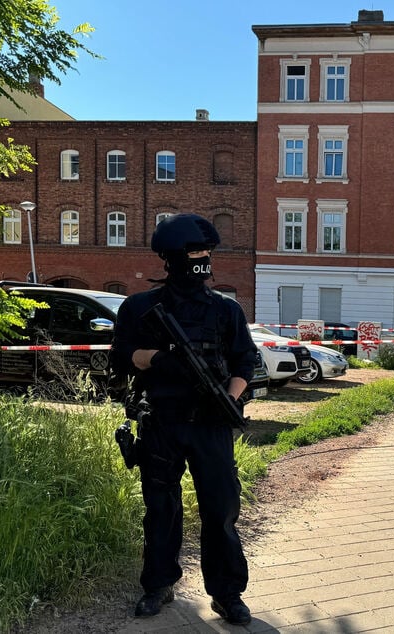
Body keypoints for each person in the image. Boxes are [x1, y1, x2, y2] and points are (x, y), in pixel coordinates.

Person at [111, 214, 257, 625]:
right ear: (172, 259)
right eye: (195, 253)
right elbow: (120, 357)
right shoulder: (140, 307)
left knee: (221, 510)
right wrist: (158, 358)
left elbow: (246, 361)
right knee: (161, 509)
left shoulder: (226, 311)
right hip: (161, 422)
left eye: (207, 253)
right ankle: (158, 585)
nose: (204, 260)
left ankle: (227, 594)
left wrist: (228, 398)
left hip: (211, 424)